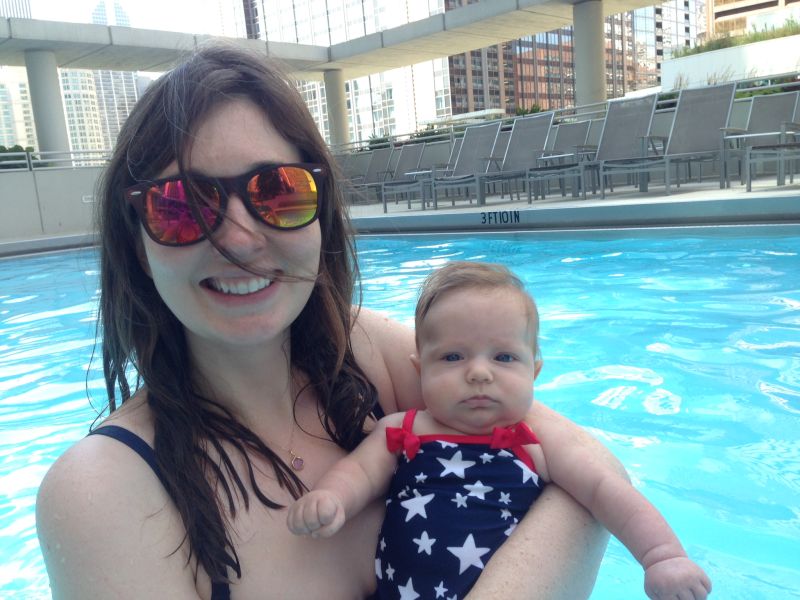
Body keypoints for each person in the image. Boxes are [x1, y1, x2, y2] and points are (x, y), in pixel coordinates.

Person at [36, 43, 619, 599]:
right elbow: (579, 492)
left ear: (322, 214)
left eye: (278, 192)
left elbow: (593, 470)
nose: (239, 240)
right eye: (183, 206)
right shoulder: (105, 489)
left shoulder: (367, 350)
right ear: (138, 246)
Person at [288, 261, 712, 600]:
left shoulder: (537, 442)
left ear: (534, 371)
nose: (478, 373)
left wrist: (661, 556)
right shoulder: (401, 430)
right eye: (452, 357)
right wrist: (332, 498)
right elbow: (359, 473)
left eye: (504, 358)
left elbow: (605, 490)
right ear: (420, 370)